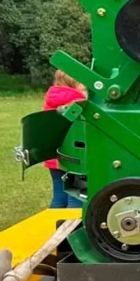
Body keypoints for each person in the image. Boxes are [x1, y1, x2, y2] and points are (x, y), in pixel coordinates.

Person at [43, 70, 87, 209]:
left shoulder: (51, 100)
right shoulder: (79, 102)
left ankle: (53, 226)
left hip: (53, 158)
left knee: (59, 197)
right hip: (74, 157)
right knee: (76, 197)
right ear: (75, 82)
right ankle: (71, 229)